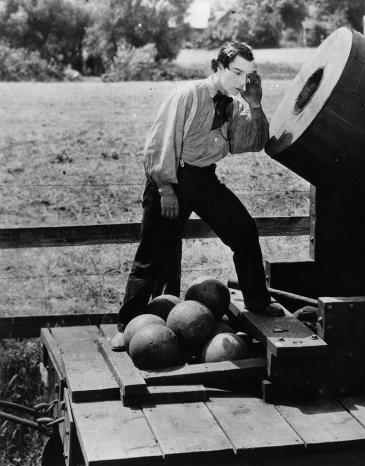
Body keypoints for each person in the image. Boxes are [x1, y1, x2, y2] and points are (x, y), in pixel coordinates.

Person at [111, 41, 283, 351]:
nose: (243, 80)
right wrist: (165, 188)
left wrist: (255, 104)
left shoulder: (233, 103)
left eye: (249, 74)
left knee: (244, 231)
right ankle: (127, 327)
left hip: (203, 179)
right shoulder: (188, 94)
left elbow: (252, 142)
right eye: (237, 72)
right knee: (153, 254)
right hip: (173, 177)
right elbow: (159, 142)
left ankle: (257, 302)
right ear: (218, 68)